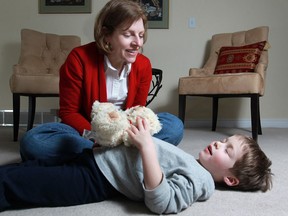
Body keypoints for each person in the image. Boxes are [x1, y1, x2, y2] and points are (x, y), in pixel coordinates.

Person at [19, 0, 184, 161]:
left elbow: (136, 110)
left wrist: (128, 133)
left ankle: (102, 157)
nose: (138, 43)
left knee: (174, 125)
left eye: (141, 35)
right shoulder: (78, 58)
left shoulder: (143, 64)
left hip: (126, 131)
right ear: (106, 35)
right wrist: (99, 138)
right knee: (33, 142)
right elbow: (69, 112)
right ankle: (123, 157)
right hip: (86, 131)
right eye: (128, 35)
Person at [0, 117, 272, 214]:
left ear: (231, 179)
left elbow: (162, 202)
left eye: (227, 150)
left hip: (97, 181)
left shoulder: (201, 183)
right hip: (95, 158)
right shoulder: (192, 160)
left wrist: (145, 145)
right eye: (223, 140)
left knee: (21, 185)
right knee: (24, 170)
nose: (217, 143)